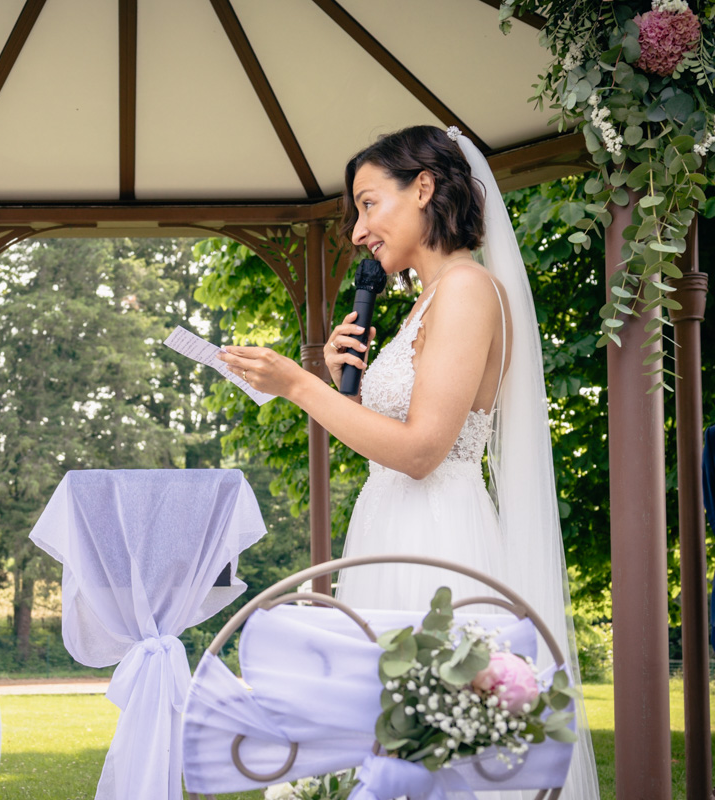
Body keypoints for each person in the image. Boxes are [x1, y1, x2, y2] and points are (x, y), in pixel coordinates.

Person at [218, 125, 598, 797]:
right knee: (391, 737)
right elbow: (392, 446)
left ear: (423, 187)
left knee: (439, 744)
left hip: (438, 537)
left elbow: (424, 451)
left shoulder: (467, 289)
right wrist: (342, 385)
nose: (359, 230)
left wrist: (300, 386)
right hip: (390, 527)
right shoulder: (424, 301)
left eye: (369, 204)